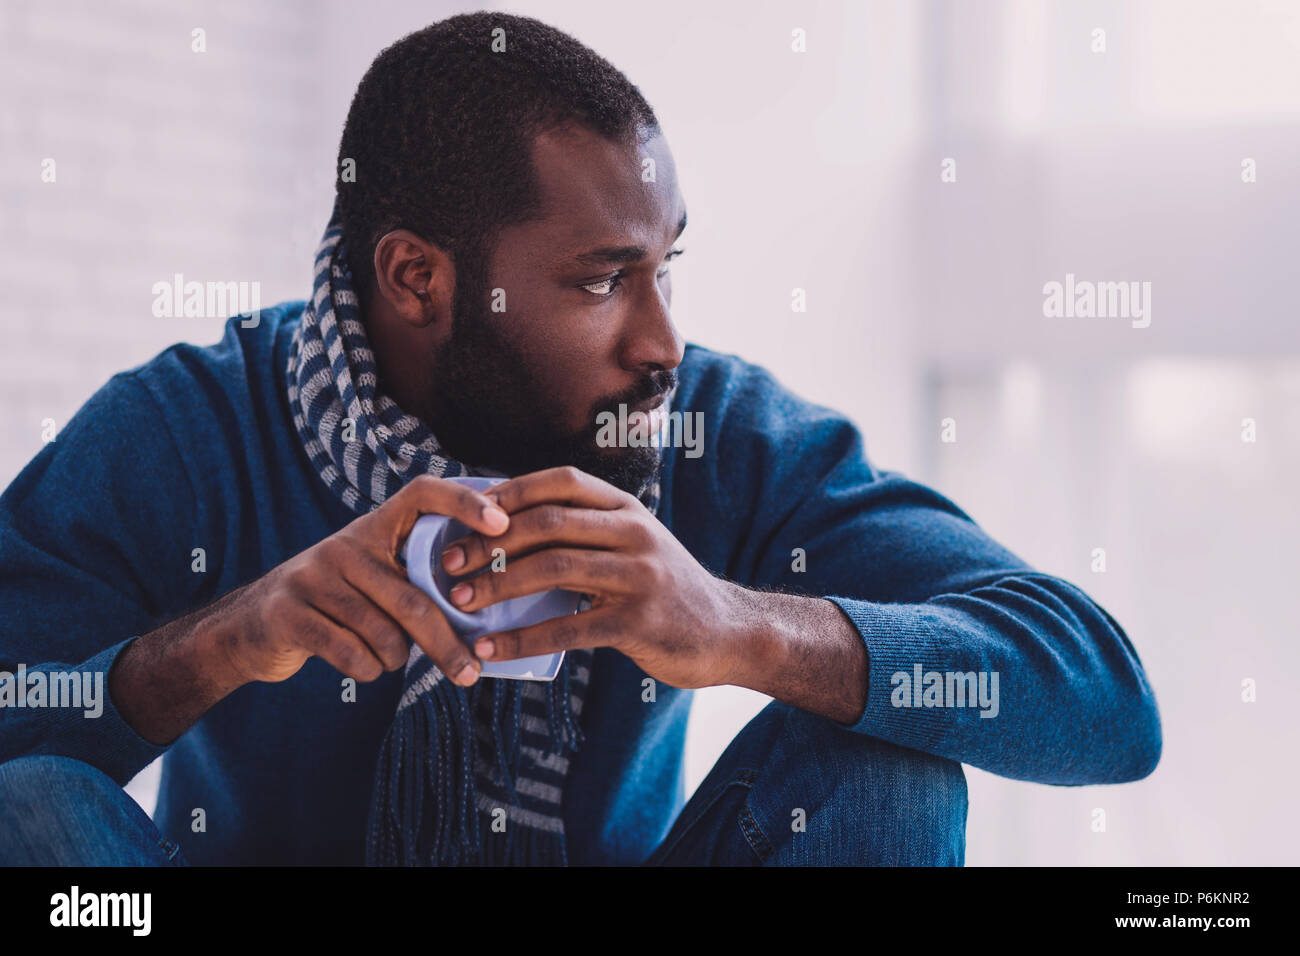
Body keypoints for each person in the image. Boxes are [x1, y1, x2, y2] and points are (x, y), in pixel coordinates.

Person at [0, 12, 1160, 867]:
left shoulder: (707, 427)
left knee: (881, 774)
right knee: (37, 803)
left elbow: (1105, 696)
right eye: (604, 280)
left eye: (668, 266)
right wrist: (223, 640)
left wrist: (739, 625)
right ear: (417, 278)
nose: (664, 338)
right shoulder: (192, 426)